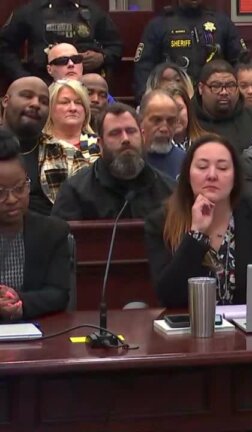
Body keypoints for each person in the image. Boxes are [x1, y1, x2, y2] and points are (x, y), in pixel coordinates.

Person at [145, 134, 252, 307]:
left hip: (246, 328)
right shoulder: (161, 221)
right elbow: (169, 296)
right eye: (202, 167)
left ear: (235, 177)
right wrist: (196, 234)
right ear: (187, 174)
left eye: (222, 168)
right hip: (188, 328)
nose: (212, 175)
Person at [52, 103, 175, 220]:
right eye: (115, 133)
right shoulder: (74, 192)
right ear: (100, 145)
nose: (125, 139)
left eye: (131, 131)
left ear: (143, 136)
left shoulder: (169, 191)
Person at [0, 128, 71, 320]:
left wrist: (19, 301)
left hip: (34, 331)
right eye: (1, 192)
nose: (12, 199)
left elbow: (59, 293)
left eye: (19, 188)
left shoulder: (52, 231)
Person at [2, 76, 88, 215]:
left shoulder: (68, 155)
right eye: (26, 96)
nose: (36, 104)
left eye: (44, 101)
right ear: (6, 101)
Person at [133, 0, 248, 100]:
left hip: (215, 100)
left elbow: (241, 62)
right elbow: (144, 68)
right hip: (172, 99)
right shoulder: (159, 25)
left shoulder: (222, 22)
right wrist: (146, 99)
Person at [0, 0, 122, 82]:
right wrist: (24, 78)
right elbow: (4, 47)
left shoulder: (94, 11)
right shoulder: (30, 11)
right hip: (44, 85)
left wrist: (103, 58)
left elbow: (116, 46)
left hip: (84, 85)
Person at [194, 60, 252, 153]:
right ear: (201, 88)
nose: (224, 92)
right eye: (216, 86)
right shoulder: (189, 120)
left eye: (230, 85)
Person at [42, 79, 100, 162]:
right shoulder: (37, 147)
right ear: (50, 108)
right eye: (64, 102)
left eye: (78, 102)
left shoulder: (101, 145)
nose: (73, 108)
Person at [141, 90, 186, 179]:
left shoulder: (185, 161)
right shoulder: (130, 160)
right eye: (157, 120)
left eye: (170, 121)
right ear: (140, 120)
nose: (164, 129)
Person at [165, 83, 208, 150]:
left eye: (179, 109)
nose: (175, 116)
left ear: (188, 108)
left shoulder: (207, 142)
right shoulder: (154, 147)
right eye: (169, 110)